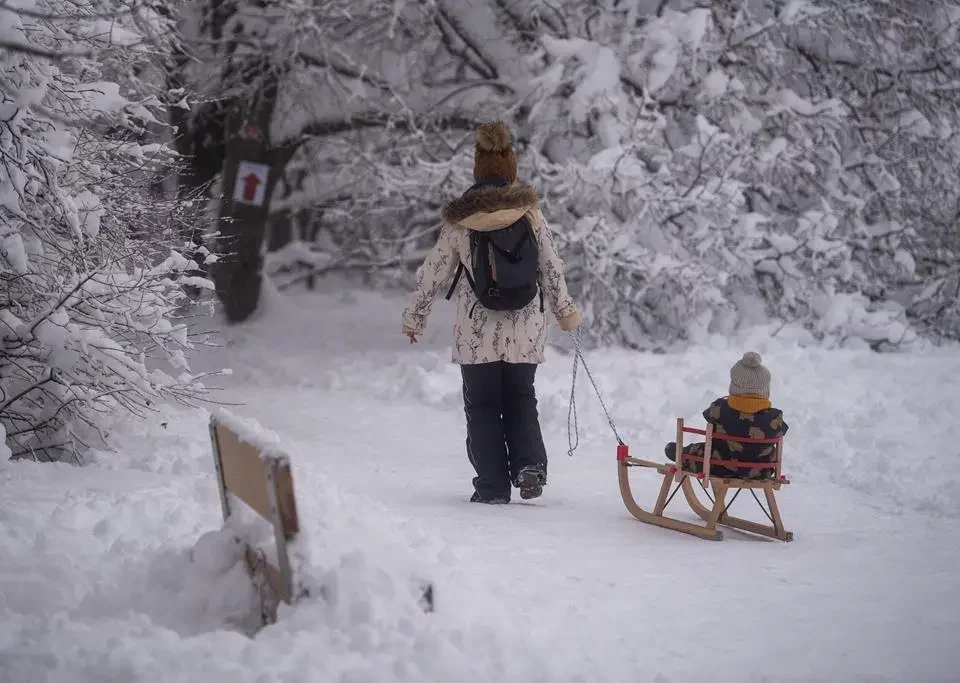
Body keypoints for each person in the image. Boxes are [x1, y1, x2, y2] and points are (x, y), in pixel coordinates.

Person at [402, 121, 581, 504]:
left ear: (476, 168)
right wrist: (565, 312)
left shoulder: (460, 220)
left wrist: (415, 316)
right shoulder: (529, 213)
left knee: (482, 405)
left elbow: (433, 272)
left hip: (476, 330)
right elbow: (551, 265)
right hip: (526, 326)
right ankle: (529, 465)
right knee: (521, 396)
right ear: (511, 167)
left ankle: (492, 487)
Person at [664, 352, 788, 479]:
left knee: (700, 451)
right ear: (765, 390)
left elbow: (708, 416)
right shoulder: (775, 417)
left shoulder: (720, 408)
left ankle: (682, 454)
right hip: (761, 471)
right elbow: (782, 431)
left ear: (734, 386)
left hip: (720, 467)